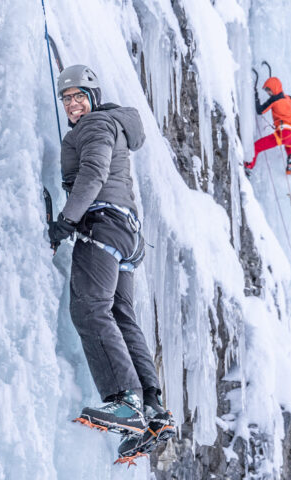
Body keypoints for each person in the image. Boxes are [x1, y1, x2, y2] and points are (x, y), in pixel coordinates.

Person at [47, 65, 175, 455]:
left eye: (79, 96)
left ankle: (125, 399)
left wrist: (67, 219)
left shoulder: (95, 125)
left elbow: (94, 173)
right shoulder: (112, 124)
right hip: (127, 235)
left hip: (102, 225)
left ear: (94, 97)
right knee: (121, 315)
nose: (72, 105)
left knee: (89, 308)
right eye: (67, 99)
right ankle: (153, 409)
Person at [245, 76, 291, 174]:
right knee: (288, 143)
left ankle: (248, 166)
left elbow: (260, 110)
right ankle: (290, 160)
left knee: (257, 146)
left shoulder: (274, 100)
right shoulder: (290, 99)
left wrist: (256, 96)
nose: (268, 94)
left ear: (273, 89)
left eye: (268, 91)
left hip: (284, 133)